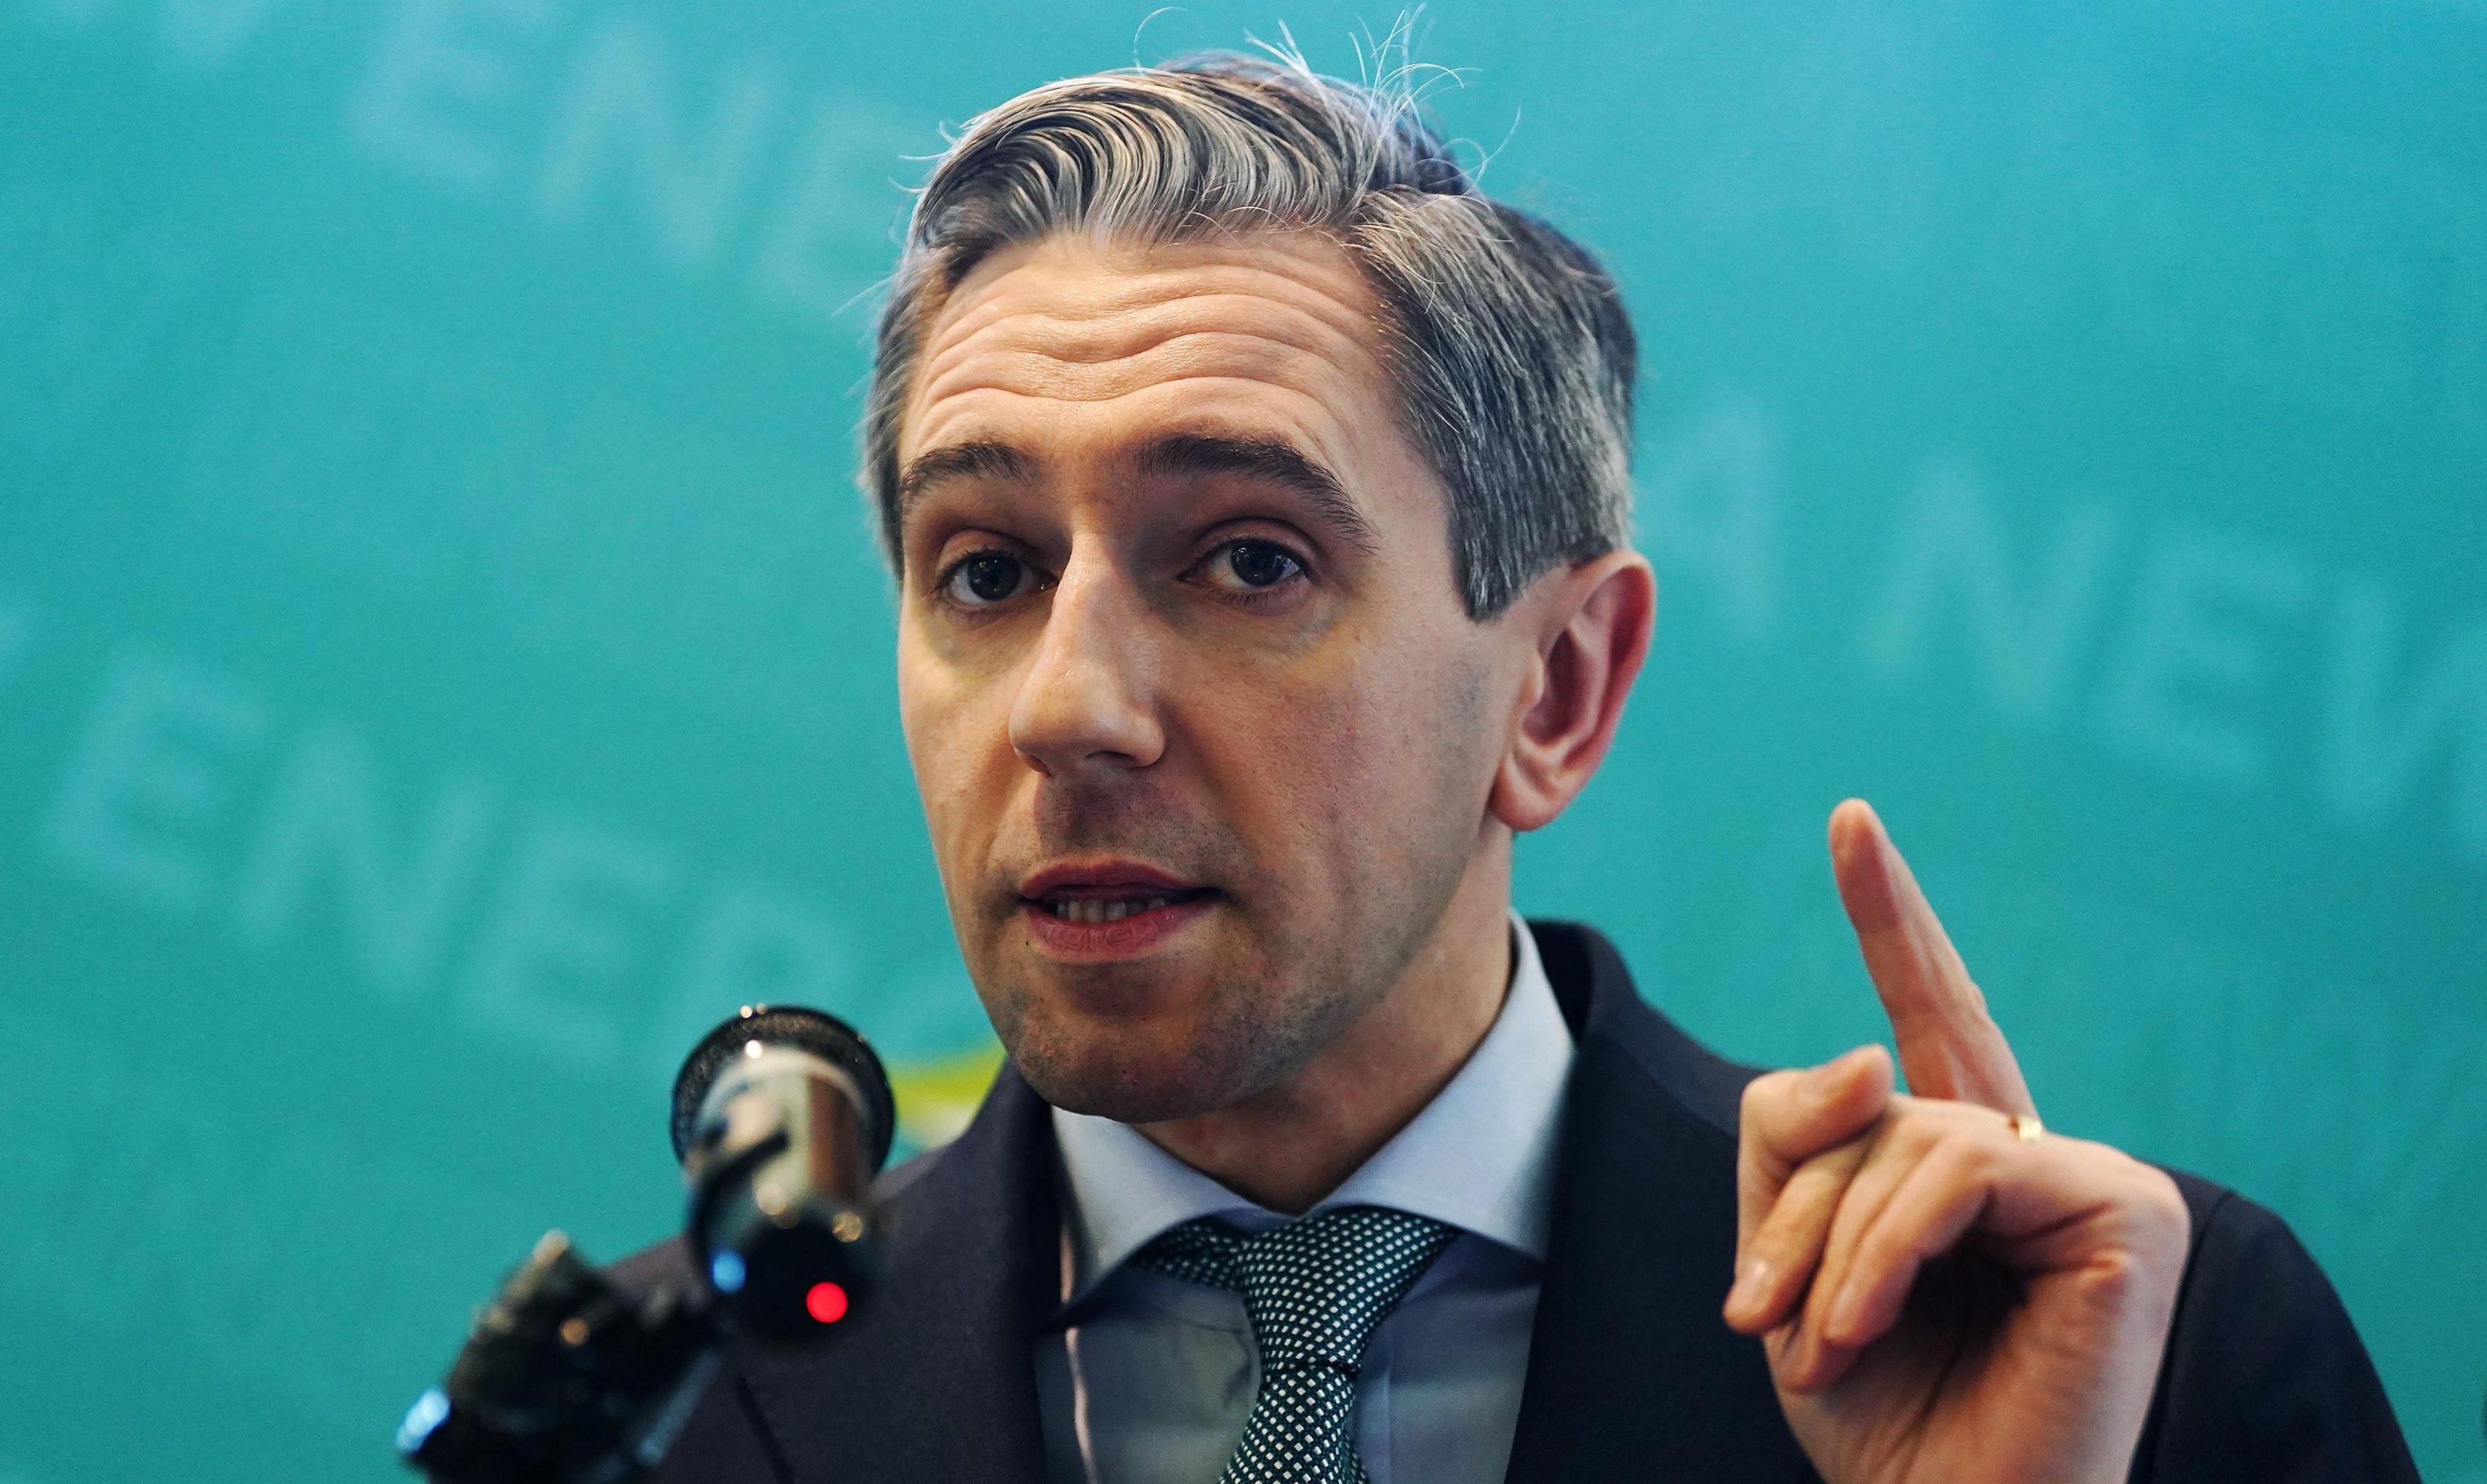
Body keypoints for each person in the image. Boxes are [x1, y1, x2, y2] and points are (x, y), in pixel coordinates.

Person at [615, 53, 2416, 1483]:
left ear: (1555, 687)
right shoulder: (651, 1414)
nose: (1067, 708)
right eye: (989, 572)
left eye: (1249, 558)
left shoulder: (2137, 1350)